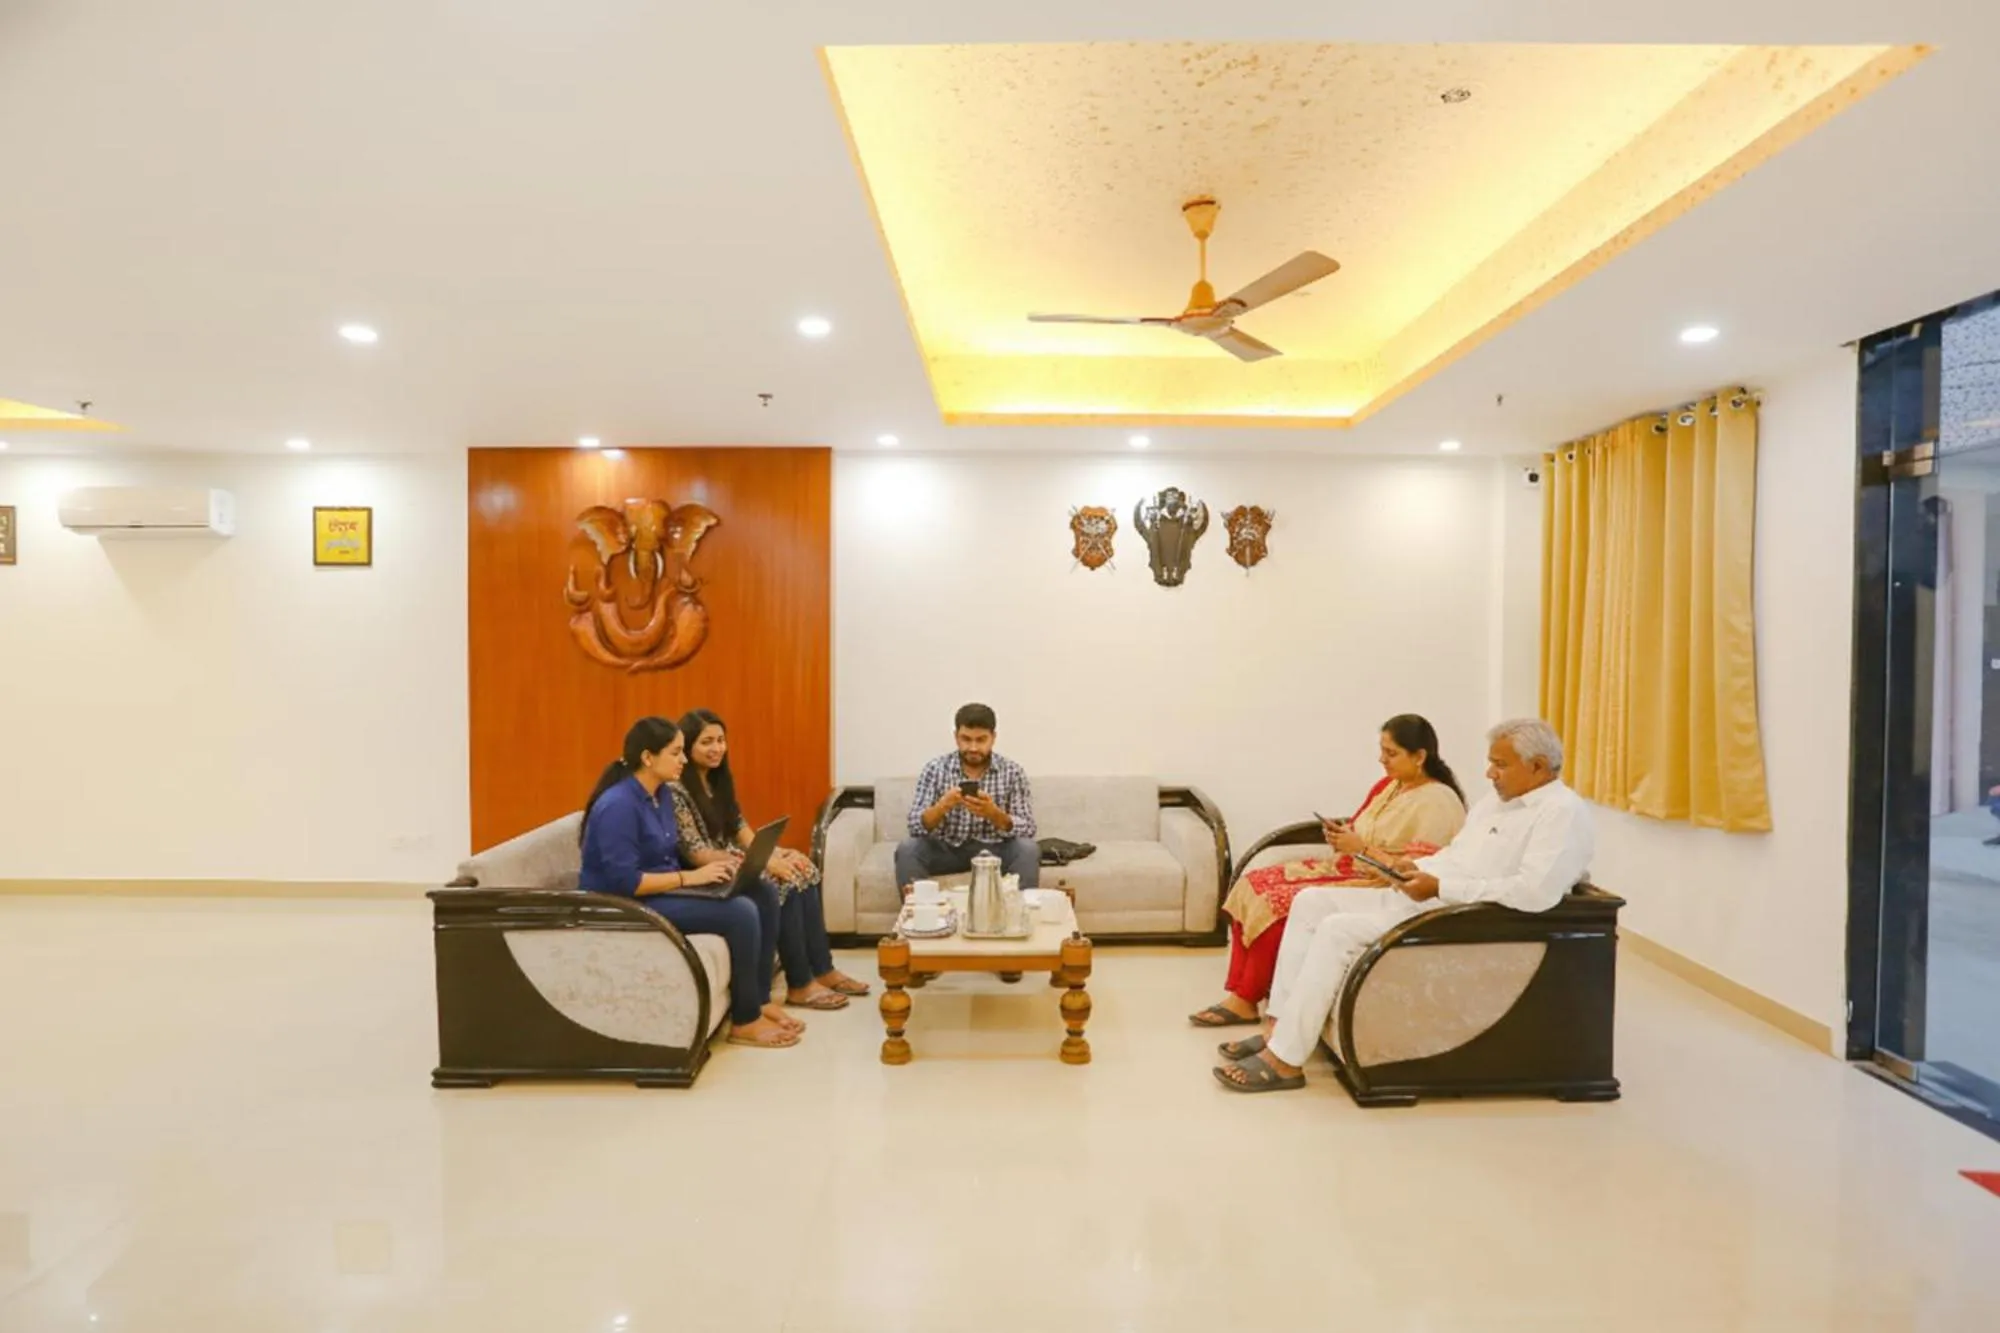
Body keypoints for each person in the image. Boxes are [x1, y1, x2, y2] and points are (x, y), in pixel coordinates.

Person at [1212, 718, 1595, 1093]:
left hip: (1463, 915)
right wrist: (1412, 868)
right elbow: (1458, 856)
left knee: (1337, 929)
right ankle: (1278, 1029)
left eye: (1500, 764)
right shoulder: (1495, 804)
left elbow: (1533, 892)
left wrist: (1441, 885)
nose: (1489, 773)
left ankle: (1285, 1061)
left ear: (1538, 766)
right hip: (1431, 894)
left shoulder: (1561, 812)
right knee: (1312, 901)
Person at [1189, 714, 1466, 1028]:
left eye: (1391, 753)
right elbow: (1362, 827)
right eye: (1381, 750)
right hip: (1351, 866)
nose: (1382, 759)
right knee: (1254, 884)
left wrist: (1360, 848)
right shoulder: (1391, 786)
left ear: (1419, 756)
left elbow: (1418, 869)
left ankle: (1249, 997)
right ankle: (1241, 996)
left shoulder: (1438, 801)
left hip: (1381, 883)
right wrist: (1341, 836)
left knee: (1280, 902)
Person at [577, 716, 801, 1050]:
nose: (684, 760)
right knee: (740, 913)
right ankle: (745, 1020)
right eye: (676, 752)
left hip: (663, 888)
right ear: (648, 758)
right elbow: (625, 882)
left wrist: (717, 870)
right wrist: (691, 878)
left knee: (761, 889)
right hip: (626, 902)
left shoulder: (662, 794)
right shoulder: (618, 806)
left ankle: (759, 998)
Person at [671, 707, 871, 1012]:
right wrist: (764, 863)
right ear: (686, 747)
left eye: (720, 740)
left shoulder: (717, 780)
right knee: (782, 882)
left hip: (730, 859)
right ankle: (800, 984)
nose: (716, 749)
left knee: (804, 869)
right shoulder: (677, 789)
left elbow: (739, 827)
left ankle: (823, 968)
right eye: (706, 742)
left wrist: (773, 852)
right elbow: (694, 851)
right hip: (705, 870)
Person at [894, 702, 1040, 891]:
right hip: (945, 849)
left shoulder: (1013, 772)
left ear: (993, 738)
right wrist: (942, 806)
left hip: (995, 851)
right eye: (966, 739)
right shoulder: (935, 769)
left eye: (981, 740)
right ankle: (919, 915)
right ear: (956, 737)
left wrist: (994, 814)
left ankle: (1020, 916)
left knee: (1027, 850)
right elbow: (914, 826)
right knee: (908, 849)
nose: (972, 747)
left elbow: (1028, 828)